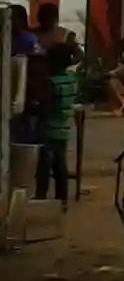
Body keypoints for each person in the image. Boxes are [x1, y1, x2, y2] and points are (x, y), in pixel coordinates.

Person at [34, 43, 79, 204]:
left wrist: (35, 108)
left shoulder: (51, 82)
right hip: (63, 127)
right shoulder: (72, 80)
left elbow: (45, 107)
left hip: (48, 128)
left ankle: (41, 196)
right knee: (60, 165)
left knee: (44, 166)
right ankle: (62, 199)